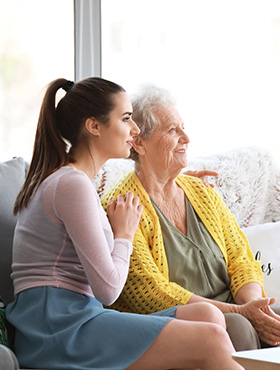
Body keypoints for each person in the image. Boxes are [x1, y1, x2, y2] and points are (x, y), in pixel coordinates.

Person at [7, 77, 243, 370]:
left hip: (76, 316)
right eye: (126, 118)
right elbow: (108, 290)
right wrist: (124, 234)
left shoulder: (75, 182)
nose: (135, 129)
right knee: (210, 338)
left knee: (207, 315)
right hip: (57, 327)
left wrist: (173, 181)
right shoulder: (71, 184)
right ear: (94, 126)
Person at [101, 84, 280, 351]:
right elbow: (152, 294)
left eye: (183, 127)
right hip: (181, 320)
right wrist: (242, 314)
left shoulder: (202, 193)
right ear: (139, 142)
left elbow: (241, 258)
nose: (186, 137)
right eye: (173, 130)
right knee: (236, 327)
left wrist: (254, 307)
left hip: (234, 305)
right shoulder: (123, 206)